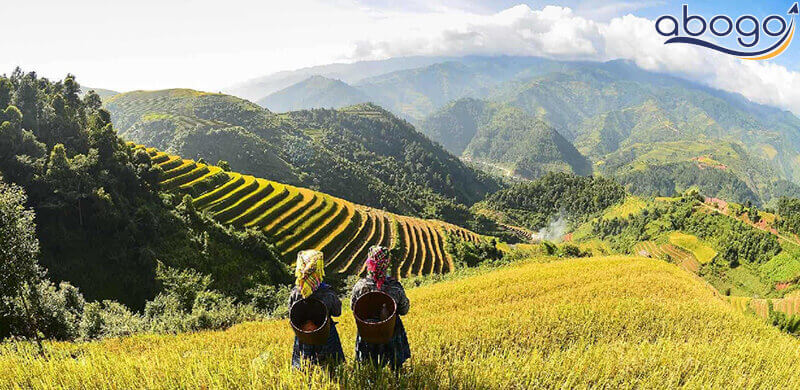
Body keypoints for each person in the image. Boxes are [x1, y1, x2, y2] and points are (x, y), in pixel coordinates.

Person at [350, 246, 411, 370]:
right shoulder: (395, 287)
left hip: (367, 332)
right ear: (386, 263)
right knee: (396, 367)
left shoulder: (360, 286)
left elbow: (353, 307)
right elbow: (404, 310)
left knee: (368, 368)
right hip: (391, 331)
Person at [288, 250, 345, 369]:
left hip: (304, 337)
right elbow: (337, 312)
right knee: (331, 369)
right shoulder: (327, 293)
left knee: (304, 369)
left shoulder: (296, 293)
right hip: (326, 336)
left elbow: (291, 314)